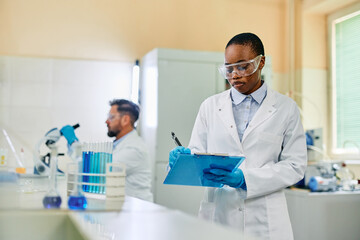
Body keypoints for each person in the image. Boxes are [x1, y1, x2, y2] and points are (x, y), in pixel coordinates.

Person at [169, 33, 307, 239]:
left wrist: (246, 180)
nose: (235, 75)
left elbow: (295, 166)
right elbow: (198, 154)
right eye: (229, 68)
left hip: (265, 219)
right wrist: (183, 159)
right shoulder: (210, 106)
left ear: (261, 62)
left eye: (243, 66)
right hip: (219, 212)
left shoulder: (286, 108)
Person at [61, 99, 153, 202]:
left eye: (111, 117)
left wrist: (74, 143)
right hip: (122, 204)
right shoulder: (117, 145)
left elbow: (97, 168)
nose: (106, 121)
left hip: (136, 208)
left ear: (125, 120)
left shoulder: (135, 148)